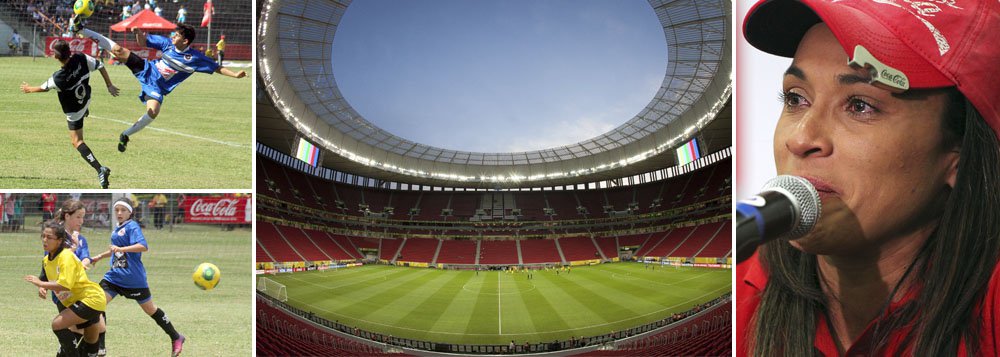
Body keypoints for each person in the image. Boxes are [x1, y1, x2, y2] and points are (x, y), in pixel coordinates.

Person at [737, 1, 1000, 356]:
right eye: (796, 98)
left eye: (860, 105)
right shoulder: (741, 284)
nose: (800, 139)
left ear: (960, 155)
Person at [69, 21, 246, 152]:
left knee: (153, 111)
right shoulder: (166, 43)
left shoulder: (195, 58)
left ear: (185, 41)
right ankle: (82, 29)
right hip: (146, 69)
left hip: (157, 87)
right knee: (118, 51)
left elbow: (216, 68)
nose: (173, 36)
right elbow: (142, 42)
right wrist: (138, 33)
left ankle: (125, 135)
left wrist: (236, 75)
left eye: (177, 35)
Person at [91, 197, 185, 356]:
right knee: (95, 303)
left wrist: (122, 249)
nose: (119, 213)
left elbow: (143, 246)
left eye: (123, 210)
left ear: (130, 212)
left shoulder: (132, 226)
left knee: (151, 310)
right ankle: (100, 347)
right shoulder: (117, 228)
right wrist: (99, 257)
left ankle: (176, 337)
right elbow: (116, 250)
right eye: (117, 210)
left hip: (133, 279)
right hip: (114, 277)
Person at [20, 40, 117, 188]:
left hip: (75, 110)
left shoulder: (58, 77)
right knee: (81, 99)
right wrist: (109, 85)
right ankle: (84, 110)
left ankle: (100, 169)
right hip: (86, 99)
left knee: (77, 141)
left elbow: (44, 88)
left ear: (55, 56)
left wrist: (28, 89)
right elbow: (100, 66)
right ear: (70, 51)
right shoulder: (81, 58)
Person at [24, 221, 107, 357]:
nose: (44, 240)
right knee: (90, 338)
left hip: (91, 299)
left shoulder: (66, 257)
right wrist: (42, 288)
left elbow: (65, 285)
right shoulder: (46, 260)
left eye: (49, 237)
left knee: (57, 325)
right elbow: (45, 278)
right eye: (43, 236)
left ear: (59, 241)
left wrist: (41, 284)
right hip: (77, 300)